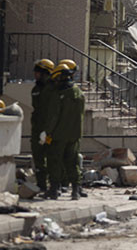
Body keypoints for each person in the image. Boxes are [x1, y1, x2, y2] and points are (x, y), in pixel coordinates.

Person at [45, 60, 85, 200]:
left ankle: (54, 189)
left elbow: (54, 116)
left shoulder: (59, 95)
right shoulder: (79, 93)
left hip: (58, 135)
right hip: (75, 134)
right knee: (72, 162)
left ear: (61, 77)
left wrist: (48, 132)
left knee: (55, 161)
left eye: (56, 79)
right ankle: (76, 190)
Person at [29, 59, 55, 195]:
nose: (35, 74)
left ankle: (55, 186)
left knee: (52, 158)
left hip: (50, 130)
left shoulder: (53, 90)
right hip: (37, 129)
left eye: (38, 72)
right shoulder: (35, 89)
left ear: (46, 73)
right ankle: (41, 185)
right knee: (38, 157)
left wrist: (49, 130)